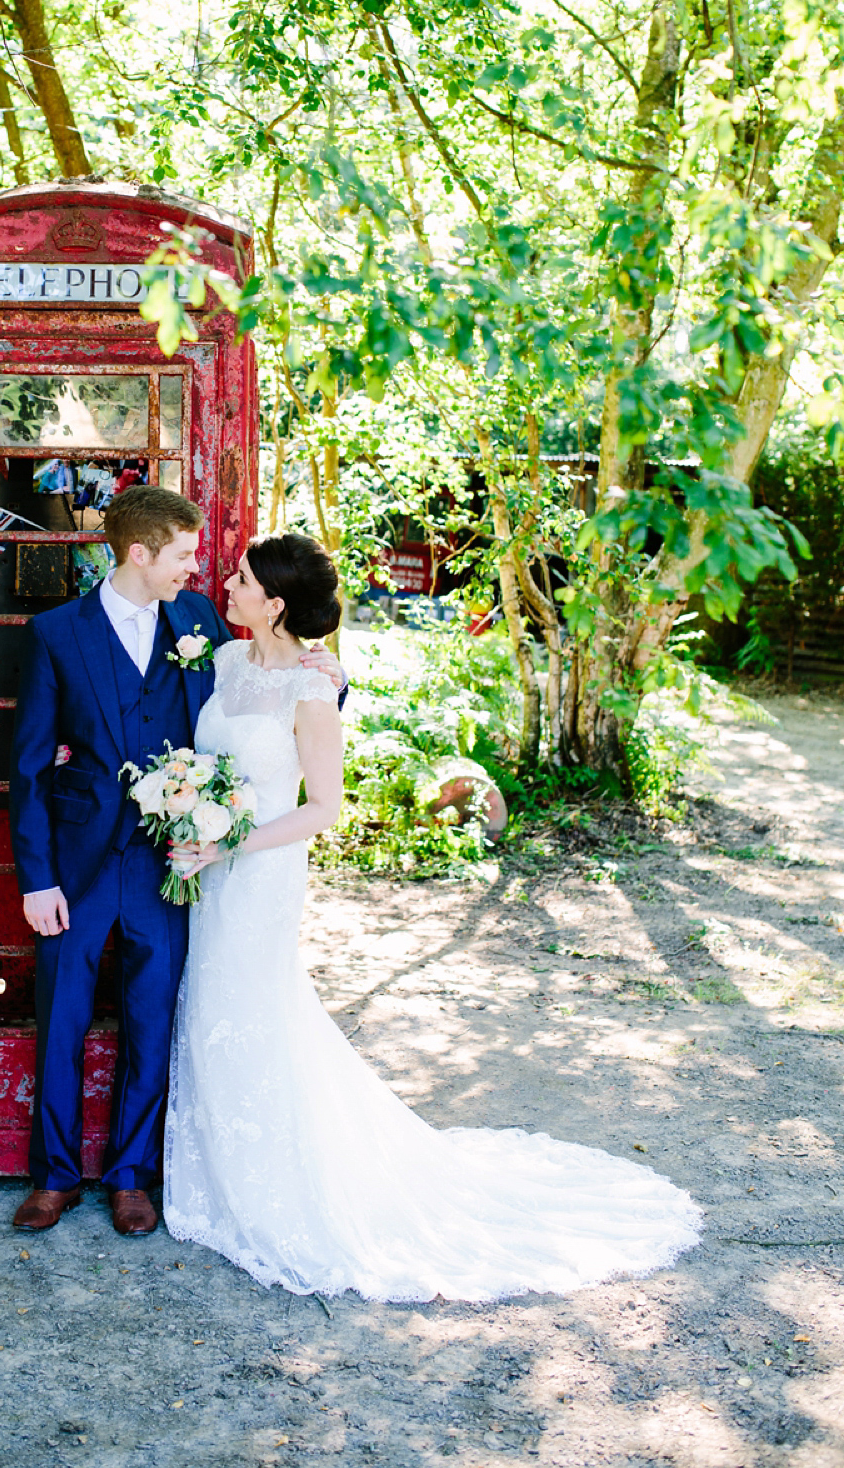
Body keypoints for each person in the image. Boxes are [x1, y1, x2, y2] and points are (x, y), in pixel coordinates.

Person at [165, 532, 702, 1301]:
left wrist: (228, 844)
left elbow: (323, 808)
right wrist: (193, 820)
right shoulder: (222, 663)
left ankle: (279, 1186)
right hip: (210, 873)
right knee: (212, 1007)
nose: (226, 582)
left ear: (275, 605)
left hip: (256, 874)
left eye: (241, 578)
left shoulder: (314, 691)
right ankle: (222, 1174)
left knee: (253, 1010)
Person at [7, 487, 343, 1238]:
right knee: (59, 1021)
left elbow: (285, 678)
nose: (201, 571)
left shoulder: (199, 626)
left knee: (153, 1022)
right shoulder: (58, 633)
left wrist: (327, 667)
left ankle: (131, 1175)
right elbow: (26, 768)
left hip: (175, 865)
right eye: (186, 556)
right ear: (140, 553)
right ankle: (54, 1176)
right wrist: (38, 878)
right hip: (78, 863)